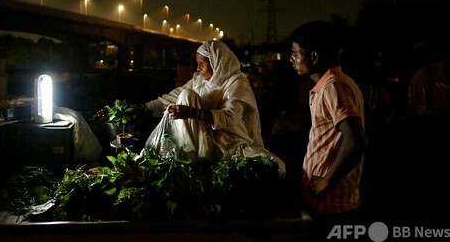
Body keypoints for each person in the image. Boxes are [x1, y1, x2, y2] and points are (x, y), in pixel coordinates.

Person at [139, 40, 278, 168]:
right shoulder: (200, 81)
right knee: (186, 95)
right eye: (197, 63)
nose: (198, 68)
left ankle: (200, 158)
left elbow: (231, 116)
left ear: (217, 62)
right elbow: (171, 97)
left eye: (202, 63)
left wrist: (191, 113)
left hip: (227, 139)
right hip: (204, 137)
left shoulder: (236, 83)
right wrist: (142, 109)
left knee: (274, 165)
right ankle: (191, 154)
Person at [289, 21, 367, 232]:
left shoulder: (334, 86)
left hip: (332, 207)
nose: (292, 59)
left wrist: (326, 182)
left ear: (313, 57)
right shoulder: (330, 85)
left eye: (296, 53)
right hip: (324, 202)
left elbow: (356, 141)